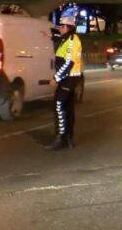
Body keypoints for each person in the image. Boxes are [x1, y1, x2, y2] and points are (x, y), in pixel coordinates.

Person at [46, 9, 83, 151]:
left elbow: (69, 63)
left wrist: (56, 78)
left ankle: (61, 137)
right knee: (67, 108)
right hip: (67, 78)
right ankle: (68, 138)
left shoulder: (73, 41)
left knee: (58, 105)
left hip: (69, 79)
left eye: (61, 26)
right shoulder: (65, 39)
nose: (59, 29)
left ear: (69, 27)